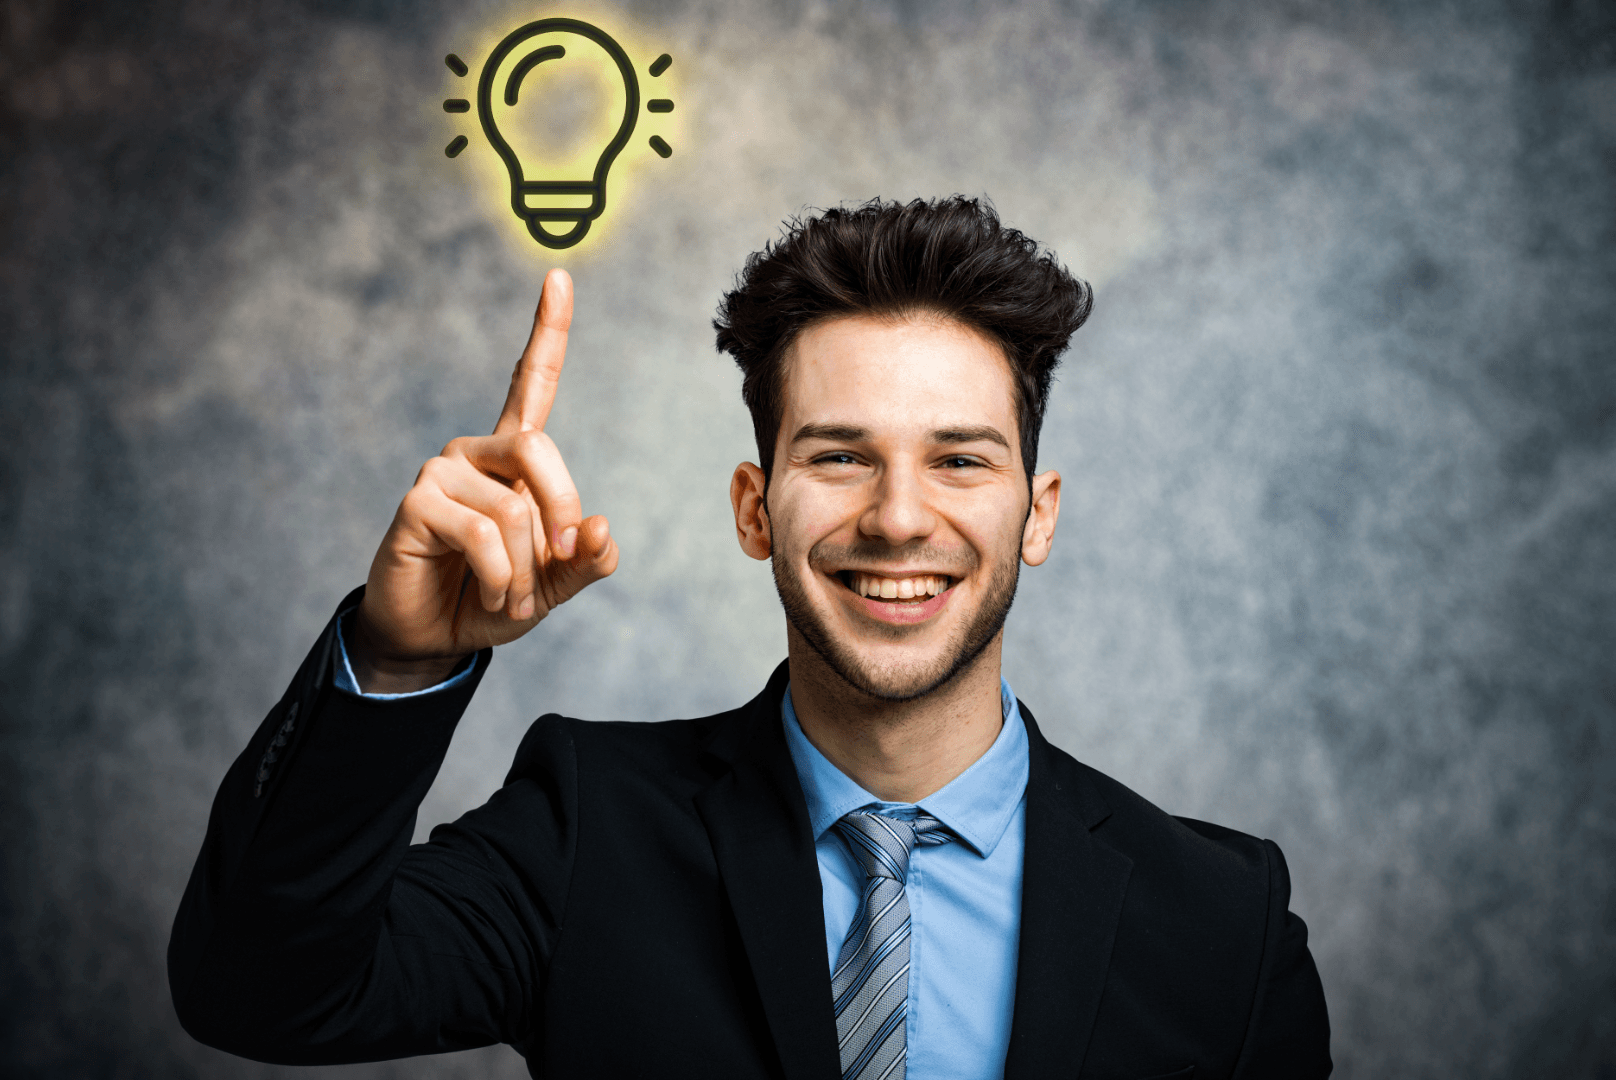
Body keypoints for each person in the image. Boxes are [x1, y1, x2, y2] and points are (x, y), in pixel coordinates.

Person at [169, 197, 1331, 1079]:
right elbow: (259, 993)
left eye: (958, 459)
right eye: (839, 455)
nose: (897, 517)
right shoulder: (584, 830)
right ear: (752, 508)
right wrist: (398, 659)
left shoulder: (1222, 921)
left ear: (1036, 514)